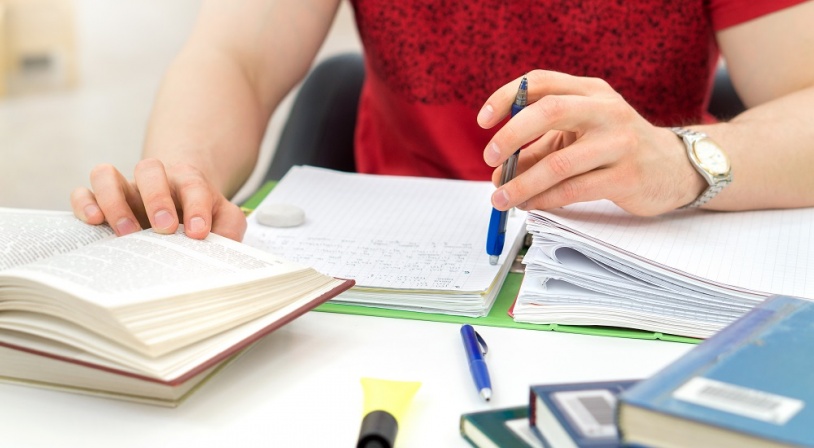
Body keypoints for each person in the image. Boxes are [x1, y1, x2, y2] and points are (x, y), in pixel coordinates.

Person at [70, 0, 814, 242]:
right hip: (394, 260)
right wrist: (182, 175)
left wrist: (683, 160)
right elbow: (235, 57)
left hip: (642, 247)